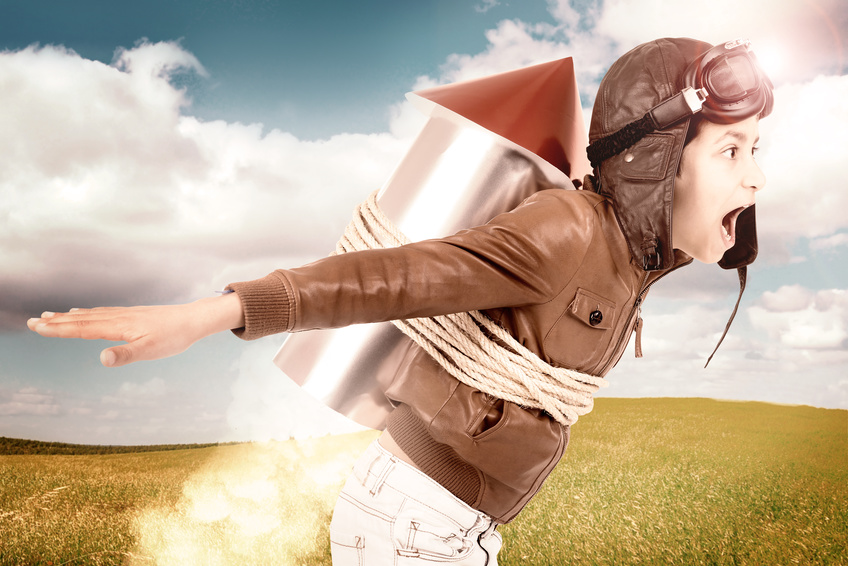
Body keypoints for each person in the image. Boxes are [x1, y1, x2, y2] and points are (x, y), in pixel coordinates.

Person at [27, 37, 773, 565]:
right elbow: (401, 276)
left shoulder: (632, 257)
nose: (755, 179)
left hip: (444, 525)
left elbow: (658, 240)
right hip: (413, 524)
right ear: (658, 165)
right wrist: (219, 311)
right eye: (731, 151)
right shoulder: (568, 232)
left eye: (757, 149)